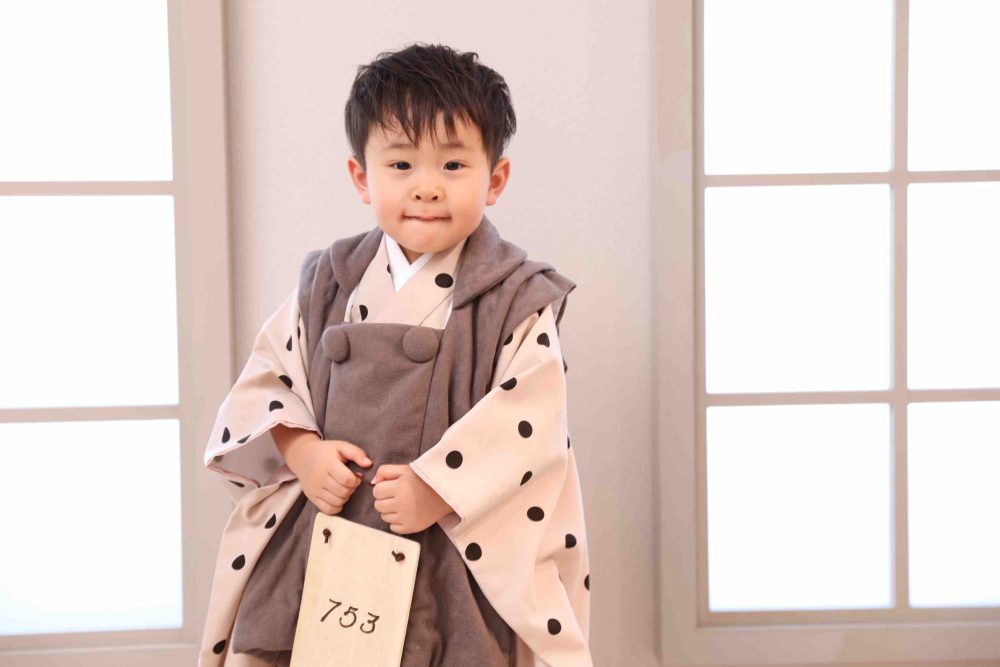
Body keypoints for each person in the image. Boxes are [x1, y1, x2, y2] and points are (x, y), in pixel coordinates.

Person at [198, 42, 592, 666]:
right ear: (362, 177)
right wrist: (302, 453)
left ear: (495, 179)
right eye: (402, 164)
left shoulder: (514, 297)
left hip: (447, 552)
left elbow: (531, 425)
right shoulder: (326, 282)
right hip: (327, 540)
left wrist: (438, 487)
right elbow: (269, 382)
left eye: (453, 165)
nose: (427, 188)